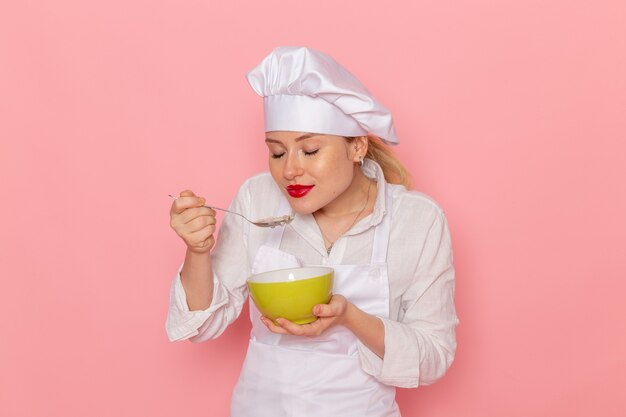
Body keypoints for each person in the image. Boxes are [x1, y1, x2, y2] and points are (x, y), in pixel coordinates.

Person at [166, 46, 459, 417]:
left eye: (310, 150)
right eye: (276, 153)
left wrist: (350, 316)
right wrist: (197, 251)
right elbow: (201, 326)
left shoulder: (417, 220)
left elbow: (434, 357)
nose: (290, 171)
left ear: (357, 146)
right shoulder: (257, 198)